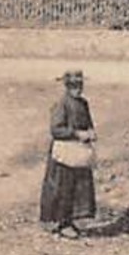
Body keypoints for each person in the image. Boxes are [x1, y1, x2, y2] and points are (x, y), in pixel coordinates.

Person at [40, 70, 98, 238]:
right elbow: (56, 129)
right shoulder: (62, 104)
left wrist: (91, 133)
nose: (77, 89)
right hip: (64, 153)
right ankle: (62, 223)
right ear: (66, 86)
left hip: (79, 153)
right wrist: (76, 134)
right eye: (73, 85)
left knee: (79, 187)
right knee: (63, 188)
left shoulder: (83, 104)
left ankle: (72, 220)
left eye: (79, 85)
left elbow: (88, 123)